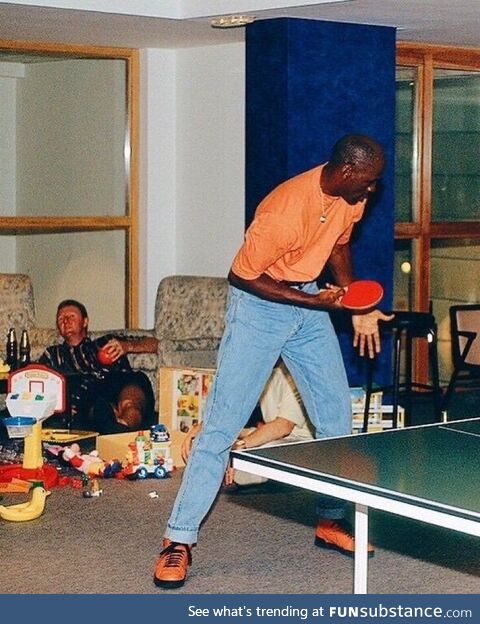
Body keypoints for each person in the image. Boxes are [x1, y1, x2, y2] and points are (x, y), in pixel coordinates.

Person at [154, 134, 394, 589]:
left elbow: (339, 247)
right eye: (367, 181)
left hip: (307, 302)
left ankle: (329, 519)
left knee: (335, 419)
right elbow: (242, 276)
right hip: (258, 308)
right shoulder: (283, 211)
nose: (372, 190)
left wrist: (355, 299)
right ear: (346, 172)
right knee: (222, 428)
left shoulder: (350, 198)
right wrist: (326, 305)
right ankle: (178, 540)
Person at [181, 361, 314, 487]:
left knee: (255, 455)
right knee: (223, 436)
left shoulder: (298, 372)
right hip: (275, 435)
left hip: (302, 443)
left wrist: (241, 446)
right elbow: (235, 409)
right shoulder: (265, 371)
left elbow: (283, 426)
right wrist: (204, 427)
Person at [39, 299, 157, 433]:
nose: (65, 321)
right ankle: (114, 427)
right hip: (87, 398)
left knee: (129, 402)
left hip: (119, 382)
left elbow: (155, 343)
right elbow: (40, 382)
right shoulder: (53, 354)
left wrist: (128, 346)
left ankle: (123, 427)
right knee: (97, 407)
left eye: (71, 316)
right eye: (61, 319)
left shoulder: (107, 342)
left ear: (85, 322)